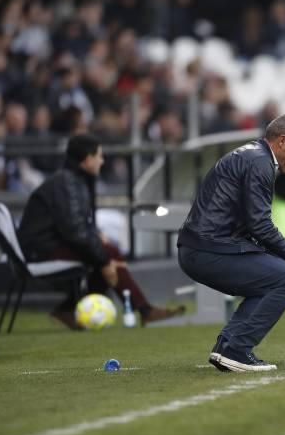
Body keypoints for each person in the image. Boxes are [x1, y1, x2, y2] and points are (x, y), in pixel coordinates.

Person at [177, 113, 285, 373]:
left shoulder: (252, 156)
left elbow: (250, 226)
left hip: (203, 247)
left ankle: (227, 348)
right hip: (209, 249)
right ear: (282, 141)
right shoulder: (259, 163)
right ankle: (236, 349)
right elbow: (259, 226)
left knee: (284, 277)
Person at [17, 134, 186, 329]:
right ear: (87, 159)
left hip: (47, 244)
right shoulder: (68, 184)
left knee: (106, 253)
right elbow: (75, 232)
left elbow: (76, 225)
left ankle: (68, 308)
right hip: (41, 250)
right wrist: (104, 260)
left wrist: (97, 238)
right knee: (107, 256)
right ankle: (144, 310)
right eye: (99, 156)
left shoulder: (71, 180)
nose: (102, 161)